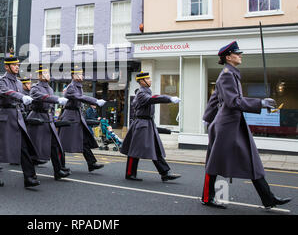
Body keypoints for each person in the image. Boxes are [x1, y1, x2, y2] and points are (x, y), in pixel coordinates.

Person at [200, 41, 292, 209]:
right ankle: (206, 197)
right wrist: (261, 103)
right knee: (215, 162)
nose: (241, 55)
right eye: (237, 53)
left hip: (231, 124)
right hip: (227, 126)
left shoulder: (230, 74)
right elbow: (233, 101)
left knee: (251, 160)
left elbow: (215, 100)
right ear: (228, 57)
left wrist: (207, 118)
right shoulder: (227, 74)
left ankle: (268, 199)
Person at [0, 56, 40, 188]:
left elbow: (22, 100)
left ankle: (29, 178)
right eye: (14, 65)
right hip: (4, 117)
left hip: (16, 117)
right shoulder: (1, 81)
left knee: (24, 148)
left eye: (18, 65)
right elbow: (5, 92)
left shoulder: (18, 82)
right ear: (7, 67)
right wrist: (22, 97)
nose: (17, 67)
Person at [120, 72, 182, 182]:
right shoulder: (141, 93)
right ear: (141, 81)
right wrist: (169, 98)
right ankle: (130, 173)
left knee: (155, 148)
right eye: (147, 79)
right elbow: (153, 99)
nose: (150, 80)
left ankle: (165, 173)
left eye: (149, 78)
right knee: (134, 150)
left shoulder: (146, 91)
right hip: (142, 124)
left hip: (147, 124)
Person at [58, 65, 106, 173]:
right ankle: (61, 166)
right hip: (70, 116)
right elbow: (80, 98)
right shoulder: (71, 87)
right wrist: (95, 101)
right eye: (79, 74)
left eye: (82, 73)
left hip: (77, 115)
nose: (81, 75)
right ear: (73, 75)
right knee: (62, 142)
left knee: (83, 140)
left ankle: (91, 163)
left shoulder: (78, 86)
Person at [26, 64, 70, 180]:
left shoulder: (50, 88)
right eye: (44, 73)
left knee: (54, 145)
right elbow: (42, 97)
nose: (47, 75)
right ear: (39, 76)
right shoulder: (35, 88)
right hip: (37, 117)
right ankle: (30, 173)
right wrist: (57, 99)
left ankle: (58, 170)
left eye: (48, 73)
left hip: (47, 117)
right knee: (35, 146)